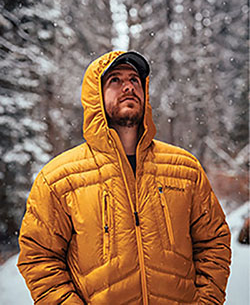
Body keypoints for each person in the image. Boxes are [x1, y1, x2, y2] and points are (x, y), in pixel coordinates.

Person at [18, 50, 231, 304]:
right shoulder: (59, 179)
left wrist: (206, 301)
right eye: (115, 80)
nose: (128, 86)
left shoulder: (185, 169)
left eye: (134, 80)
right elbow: (39, 257)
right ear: (96, 96)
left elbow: (214, 242)